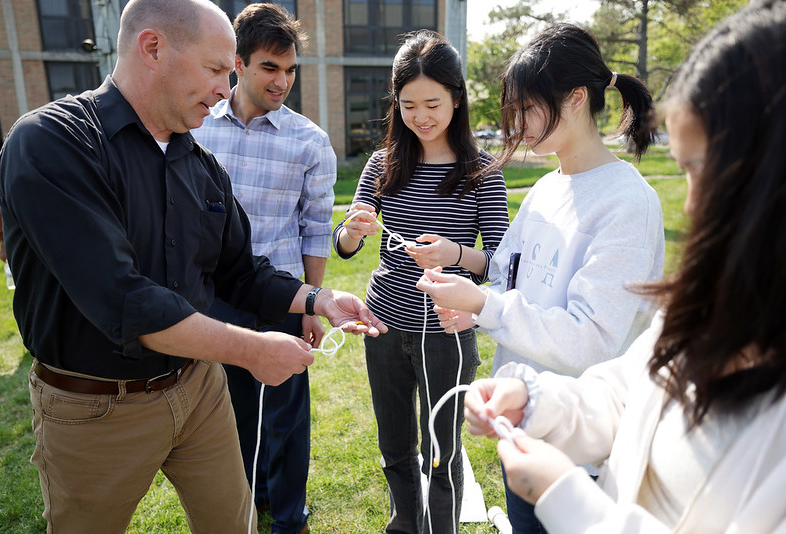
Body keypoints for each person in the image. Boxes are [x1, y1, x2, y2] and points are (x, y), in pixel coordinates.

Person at [0, 0, 386, 532]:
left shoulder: (198, 164)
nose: (226, 89)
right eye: (215, 70)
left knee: (236, 523)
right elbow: (125, 299)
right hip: (96, 408)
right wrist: (251, 350)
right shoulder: (53, 142)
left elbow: (241, 273)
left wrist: (318, 299)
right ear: (153, 47)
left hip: (199, 389)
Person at [460, 1, 786, 532]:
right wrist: (536, 401)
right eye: (684, 172)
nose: (691, 207)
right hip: (544, 446)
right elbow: (630, 388)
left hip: (576, 474)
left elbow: (593, 338)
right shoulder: (717, 303)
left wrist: (566, 496)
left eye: (702, 172)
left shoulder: (628, 203)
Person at [416, 22, 665, 534]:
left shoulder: (626, 203)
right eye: (515, 110)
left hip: (586, 457)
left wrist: (484, 308)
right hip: (526, 428)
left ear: (576, 98)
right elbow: (511, 271)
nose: (519, 124)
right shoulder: (548, 187)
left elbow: (592, 340)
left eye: (529, 108)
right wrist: (464, 272)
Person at [334, 30, 509, 534]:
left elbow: (498, 262)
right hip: (384, 326)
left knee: (441, 450)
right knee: (394, 446)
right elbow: (346, 245)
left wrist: (455, 253)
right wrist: (353, 228)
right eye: (408, 104)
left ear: (457, 98)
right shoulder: (383, 162)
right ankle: (404, 526)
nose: (421, 116)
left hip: (446, 334)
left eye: (432, 103)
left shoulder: (481, 170)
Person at [191, 4, 333, 533]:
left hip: (285, 299)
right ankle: (250, 504)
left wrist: (314, 302)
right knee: (230, 415)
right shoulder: (197, 129)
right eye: (270, 67)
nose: (283, 81)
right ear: (238, 63)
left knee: (287, 417)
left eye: (291, 69)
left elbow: (316, 228)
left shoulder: (310, 142)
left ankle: (289, 519)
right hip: (216, 300)